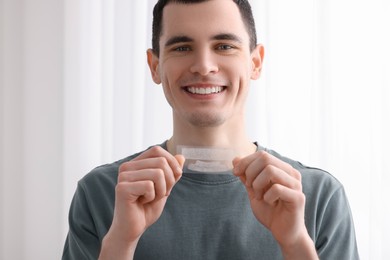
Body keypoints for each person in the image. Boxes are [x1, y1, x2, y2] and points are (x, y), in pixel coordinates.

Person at [62, 0, 360, 259]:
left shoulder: (318, 196)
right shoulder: (104, 193)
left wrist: (296, 244)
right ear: (154, 66)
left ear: (255, 63)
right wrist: (121, 243)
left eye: (224, 46)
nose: (204, 66)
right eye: (182, 47)